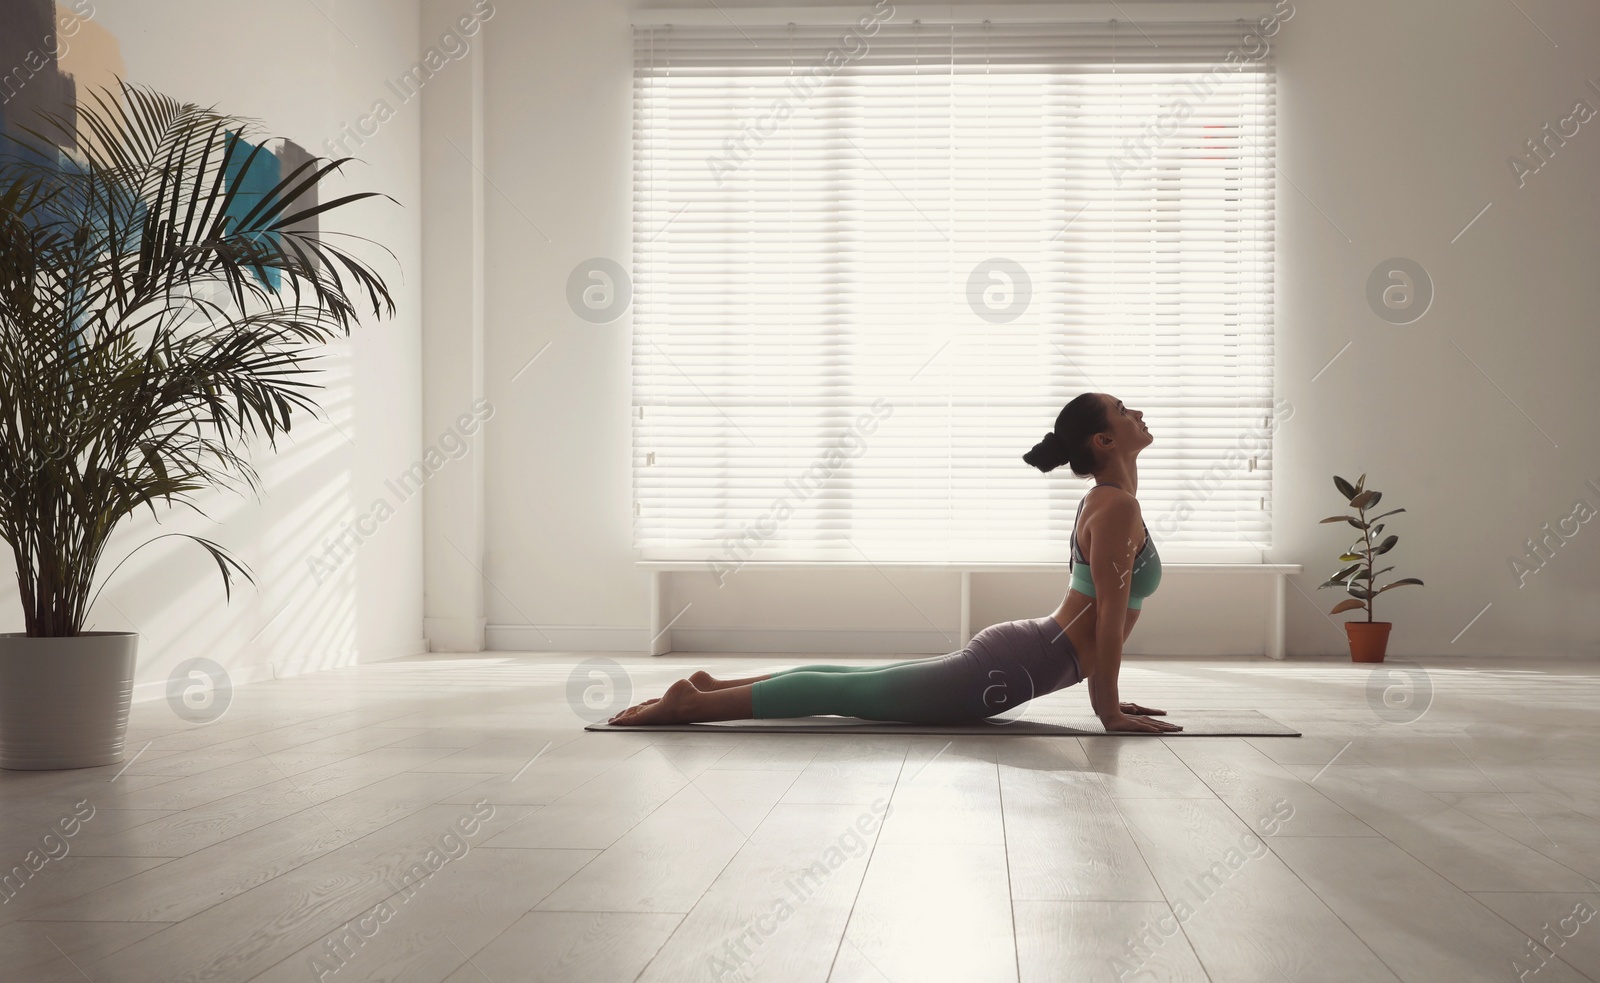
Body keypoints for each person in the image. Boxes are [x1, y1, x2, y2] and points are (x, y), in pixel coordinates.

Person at [608, 392, 1181, 733]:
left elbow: (1104, 615)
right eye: (1124, 410)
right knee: (855, 696)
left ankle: (713, 686)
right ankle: (693, 705)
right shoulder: (1116, 508)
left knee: (864, 684)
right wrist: (1107, 708)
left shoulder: (1112, 503)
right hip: (1013, 668)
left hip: (1029, 653)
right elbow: (1107, 619)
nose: (1138, 413)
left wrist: (1105, 692)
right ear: (1105, 441)